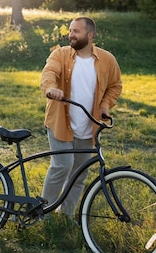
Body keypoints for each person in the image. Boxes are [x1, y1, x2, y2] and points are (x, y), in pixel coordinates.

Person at [40, 16, 122, 219]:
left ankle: (66, 215)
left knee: (80, 173)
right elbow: (49, 73)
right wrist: (51, 88)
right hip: (60, 122)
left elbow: (115, 86)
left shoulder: (107, 59)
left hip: (89, 125)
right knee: (62, 165)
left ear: (90, 35)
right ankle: (43, 213)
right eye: (70, 30)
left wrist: (104, 106)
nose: (71, 35)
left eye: (76, 31)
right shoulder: (60, 54)